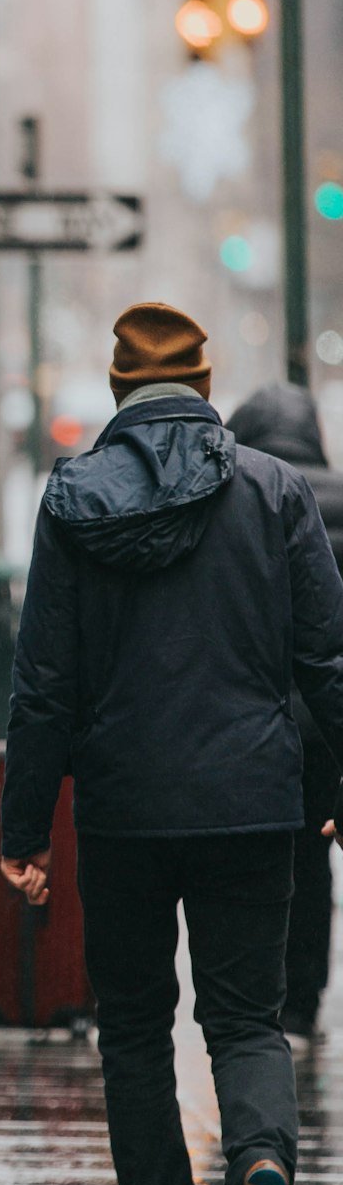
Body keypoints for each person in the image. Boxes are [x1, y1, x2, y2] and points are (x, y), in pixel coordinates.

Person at [1, 302, 343, 1185]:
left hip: (124, 809)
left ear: (115, 392)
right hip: (251, 802)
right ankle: (265, 1175)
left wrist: (22, 831)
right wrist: (329, 795)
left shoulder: (72, 499)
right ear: (203, 386)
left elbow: (43, 685)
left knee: (135, 1029)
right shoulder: (277, 492)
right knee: (244, 1017)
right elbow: (323, 665)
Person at [227, 381, 343, 1037]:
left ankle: (258, 996)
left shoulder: (242, 501)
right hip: (326, 720)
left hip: (255, 715)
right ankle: (303, 1000)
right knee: (313, 855)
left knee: (252, 858)